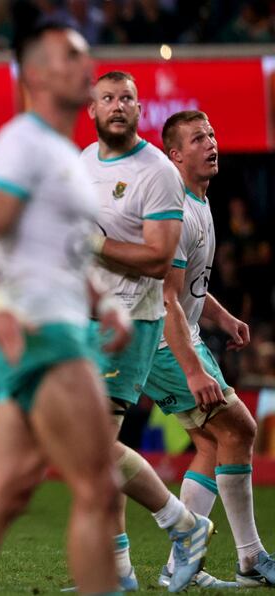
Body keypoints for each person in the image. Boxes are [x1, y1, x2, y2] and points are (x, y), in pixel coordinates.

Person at [0, 22, 133, 596]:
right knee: (98, 489)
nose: (86, 64)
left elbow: (65, 250)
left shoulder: (61, 153)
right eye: (72, 56)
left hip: (52, 323)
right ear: (37, 73)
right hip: (43, 331)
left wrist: (103, 303)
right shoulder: (20, 144)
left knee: (6, 493)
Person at [81, 71, 214, 591]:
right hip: (88, 318)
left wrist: (93, 245)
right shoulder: (82, 164)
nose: (118, 105)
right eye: (108, 98)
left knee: (91, 444)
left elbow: (160, 261)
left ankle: (183, 526)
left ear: (140, 110)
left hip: (131, 321)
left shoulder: (157, 171)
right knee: (94, 452)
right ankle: (119, 574)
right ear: (92, 110)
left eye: (127, 98)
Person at [143, 110, 275, 588]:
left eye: (213, 134)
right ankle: (250, 558)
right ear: (176, 155)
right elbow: (166, 297)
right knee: (239, 427)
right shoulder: (176, 209)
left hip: (180, 334)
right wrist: (194, 369)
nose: (212, 143)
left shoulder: (200, 201)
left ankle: (182, 566)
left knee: (211, 443)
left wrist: (222, 317)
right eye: (199, 138)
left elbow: (190, 286)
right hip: (163, 340)